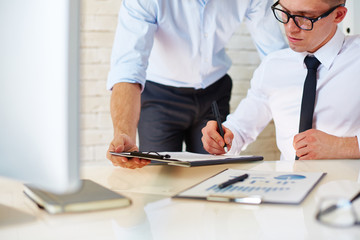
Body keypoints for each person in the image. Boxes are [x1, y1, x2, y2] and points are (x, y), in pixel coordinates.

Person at [106, 0, 287, 168]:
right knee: (161, 180)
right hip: (159, 99)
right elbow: (128, 68)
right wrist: (124, 134)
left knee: (212, 176)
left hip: (214, 93)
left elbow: (276, 57)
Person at [202, 0, 360, 160]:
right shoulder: (273, 65)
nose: (290, 28)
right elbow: (241, 129)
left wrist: (342, 146)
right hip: (290, 182)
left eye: (306, 17)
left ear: (338, 15)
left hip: (350, 184)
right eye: (285, 12)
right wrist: (222, 137)